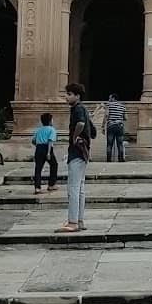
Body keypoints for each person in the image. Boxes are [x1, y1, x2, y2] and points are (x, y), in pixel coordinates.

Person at [59, 83, 93, 233]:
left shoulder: (78, 109)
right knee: (80, 188)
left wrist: (75, 136)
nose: (66, 96)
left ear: (77, 96)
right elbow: (93, 131)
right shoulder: (83, 109)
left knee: (73, 187)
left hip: (77, 151)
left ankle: (73, 222)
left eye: (69, 94)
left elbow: (80, 123)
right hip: (83, 151)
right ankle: (79, 220)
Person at [31, 111, 58, 194]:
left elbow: (33, 141)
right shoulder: (52, 129)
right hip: (47, 148)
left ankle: (37, 188)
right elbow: (50, 141)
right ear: (50, 121)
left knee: (38, 168)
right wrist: (49, 153)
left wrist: (39, 146)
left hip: (39, 148)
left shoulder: (38, 130)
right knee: (54, 165)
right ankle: (51, 184)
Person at [104, 93, 127, 162]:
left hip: (111, 125)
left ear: (113, 98)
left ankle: (109, 159)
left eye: (110, 98)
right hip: (119, 126)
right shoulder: (122, 106)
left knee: (109, 144)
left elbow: (106, 115)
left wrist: (103, 125)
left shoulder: (108, 105)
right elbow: (126, 118)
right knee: (120, 144)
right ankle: (121, 159)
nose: (109, 99)